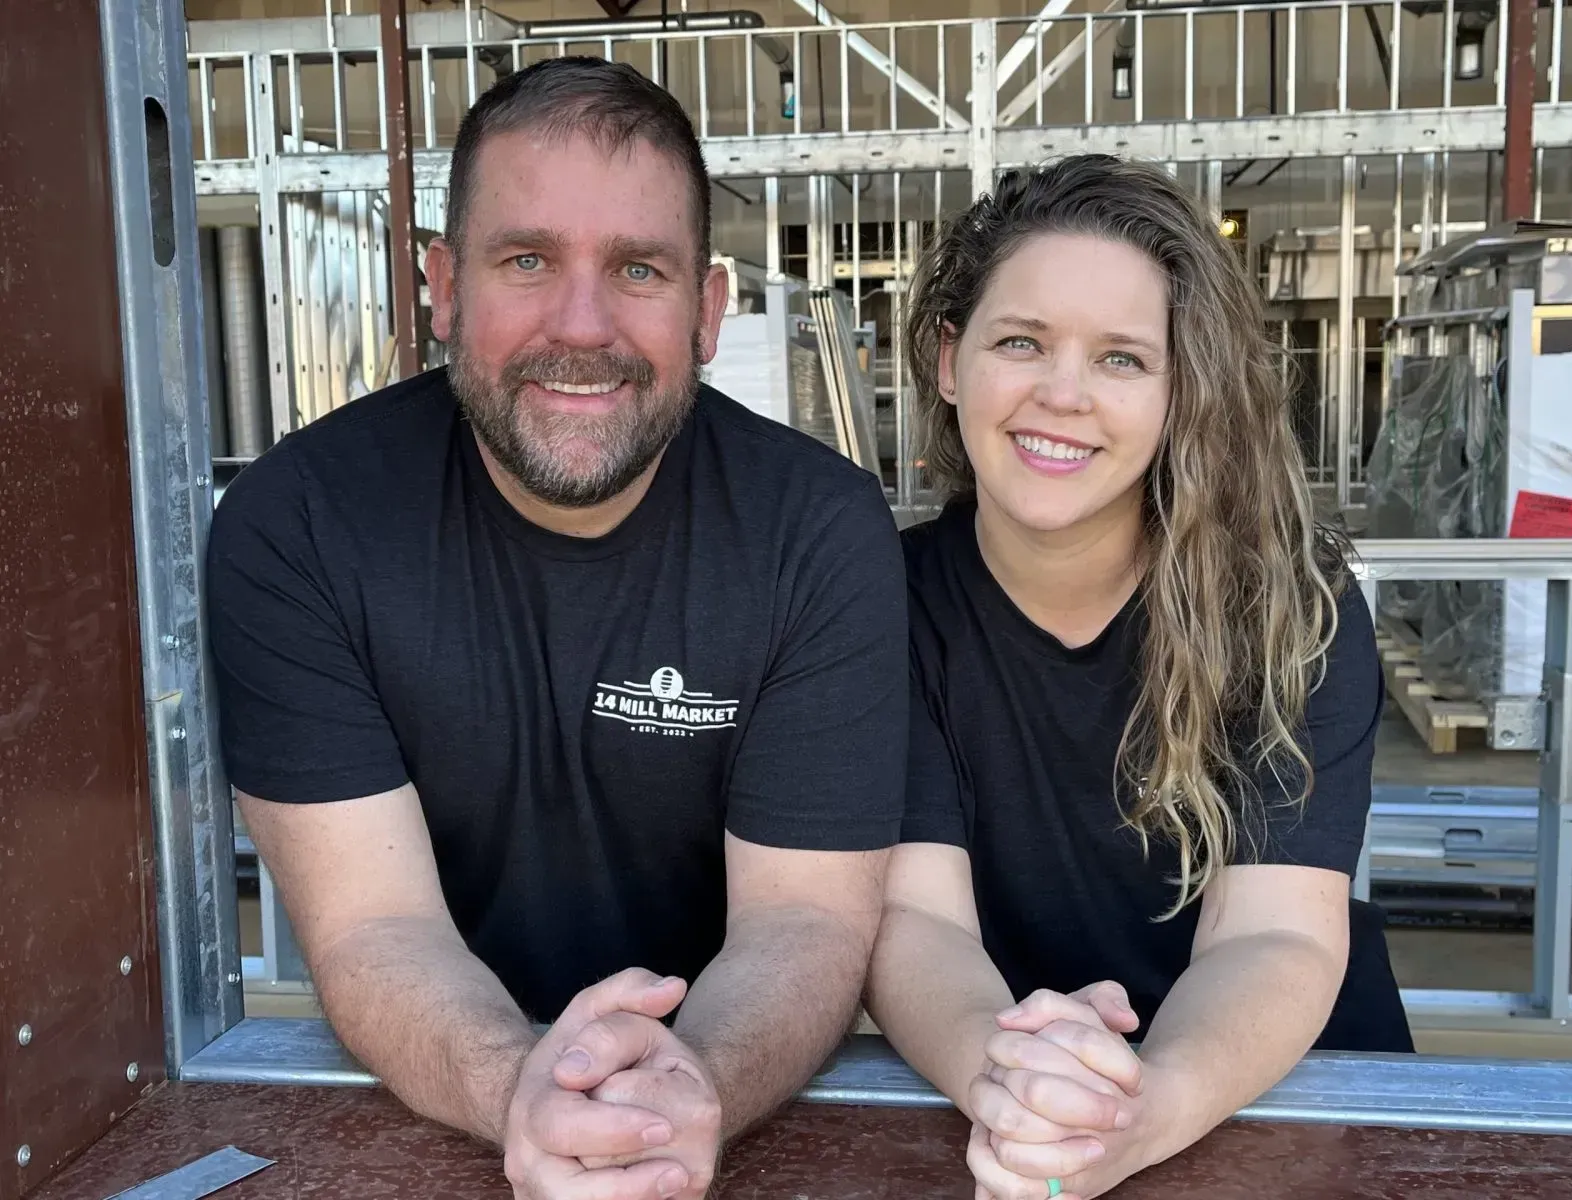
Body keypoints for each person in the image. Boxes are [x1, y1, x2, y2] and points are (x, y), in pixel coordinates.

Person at [205, 57, 907, 1200]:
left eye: (638, 268)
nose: (581, 326)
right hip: (439, 1105)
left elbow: (805, 923)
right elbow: (372, 927)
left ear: (707, 309)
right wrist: (517, 1091)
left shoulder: (817, 530)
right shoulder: (300, 522)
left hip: (733, 1114)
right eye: (526, 260)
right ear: (442, 286)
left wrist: (687, 1096)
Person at [865, 154, 1413, 1200]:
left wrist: (1141, 1106)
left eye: (1121, 359)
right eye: (1020, 341)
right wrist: (1006, 1080)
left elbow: (1276, 934)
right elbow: (916, 921)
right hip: (1020, 1111)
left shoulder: (1289, 609)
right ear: (948, 359)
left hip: (1282, 1101)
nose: (1061, 394)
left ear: (1179, 392)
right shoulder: (883, 606)